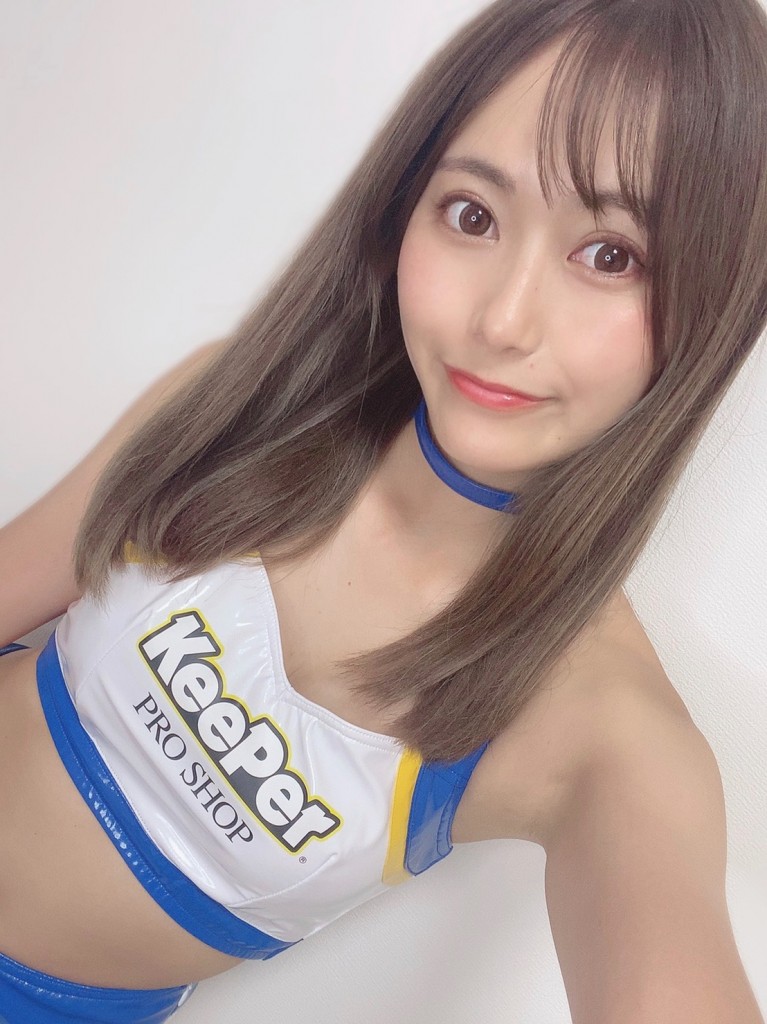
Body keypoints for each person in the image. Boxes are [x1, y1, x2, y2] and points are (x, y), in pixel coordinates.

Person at [1, 0, 766, 1020]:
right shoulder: (241, 404)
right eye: (472, 215)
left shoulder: (602, 732)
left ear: (714, 305)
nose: (503, 320)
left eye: (610, 255)